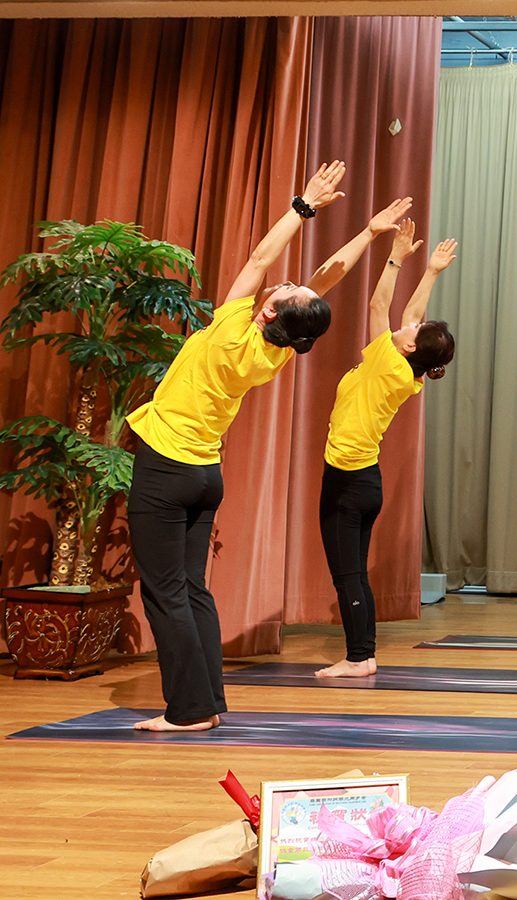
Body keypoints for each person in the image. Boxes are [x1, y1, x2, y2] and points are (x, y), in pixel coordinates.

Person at [124, 162, 405, 730]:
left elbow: (258, 260)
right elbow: (327, 278)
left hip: (166, 470)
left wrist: (304, 206)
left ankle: (188, 710)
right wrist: (369, 234)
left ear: (271, 310)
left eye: (285, 289)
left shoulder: (232, 332)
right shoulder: (276, 349)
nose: (287, 280)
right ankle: (207, 704)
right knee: (192, 589)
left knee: (166, 592)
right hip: (204, 475)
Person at [314, 220, 459, 678]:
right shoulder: (406, 371)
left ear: (411, 346)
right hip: (363, 480)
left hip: (347, 482)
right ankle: (363, 654)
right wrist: (430, 271)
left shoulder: (386, 363)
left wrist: (396, 256)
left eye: (413, 329)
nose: (407, 325)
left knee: (348, 575)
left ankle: (359, 657)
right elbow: (411, 316)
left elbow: (379, 304)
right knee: (353, 572)